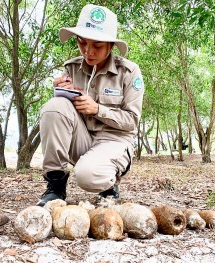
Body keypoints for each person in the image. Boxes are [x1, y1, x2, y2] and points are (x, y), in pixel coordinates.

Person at [37, 4, 144, 206]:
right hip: (83, 138)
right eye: (82, 43)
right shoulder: (72, 67)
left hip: (115, 140)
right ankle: (55, 186)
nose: (88, 51)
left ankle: (108, 184)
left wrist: (97, 109)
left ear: (111, 46)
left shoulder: (129, 72)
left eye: (97, 46)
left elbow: (131, 121)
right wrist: (62, 92)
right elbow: (62, 117)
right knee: (53, 107)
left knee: (87, 176)